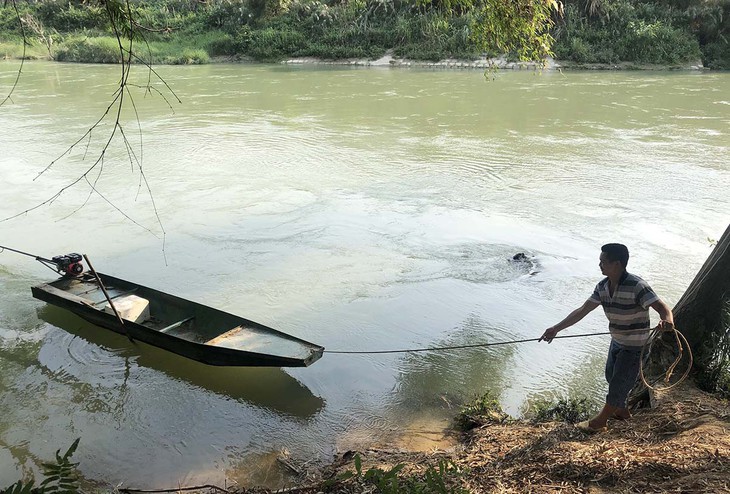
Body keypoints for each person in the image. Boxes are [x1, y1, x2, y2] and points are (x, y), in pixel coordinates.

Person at [539, 243, 674, 433]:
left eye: (603, 262)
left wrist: (667, 321)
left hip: (635, 346)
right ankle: (622, 412)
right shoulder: (602, 287)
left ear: (617, 264)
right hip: (617, 341)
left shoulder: (637, 286)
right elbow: (582, 310)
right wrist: (556, 328)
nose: (599, 265)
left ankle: (599, 422)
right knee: (611, 376)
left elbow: (663, 308)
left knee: (619, 383)